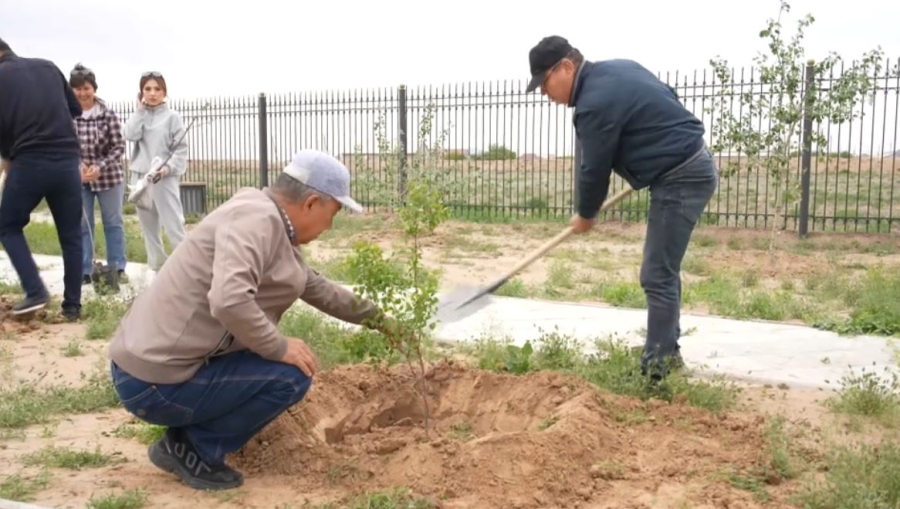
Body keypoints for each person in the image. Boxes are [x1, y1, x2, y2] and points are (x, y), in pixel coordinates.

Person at [107, 150, 404, 491]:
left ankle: (187, 438)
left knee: (274, 358)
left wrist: (379, 319)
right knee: (291, 373)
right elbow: (228, 300)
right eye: (333, 213)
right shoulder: (255, 221)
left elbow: (317, 287)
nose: (330, 226)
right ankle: (192, 448)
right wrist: (278, 347)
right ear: (311, 203)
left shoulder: (271, 223)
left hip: (155, 372)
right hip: (153, 382)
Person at [524, 36, 719, 381]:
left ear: (566, 67)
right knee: (663, 271)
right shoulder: (620, 69)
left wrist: (586, 214)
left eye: (544, 82)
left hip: (681, 175)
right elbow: (666, 98)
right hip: (685, 165)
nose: (543, 93)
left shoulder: (593, 105)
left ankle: (656, 371)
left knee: (656, 273)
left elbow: (594, 170)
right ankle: (666, 351)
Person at [0, 37, 84, 320]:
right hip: (67, 161)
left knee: (7, 225)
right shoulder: (48, 67)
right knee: (71, 235)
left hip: (30, 161)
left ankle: (35, 290)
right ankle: (72, 307)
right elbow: (76, 109)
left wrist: (7, 158)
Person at [70, 63, 128, 286]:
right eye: (77, 89)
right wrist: (78, 166)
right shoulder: (67, 115)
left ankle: (117, 268)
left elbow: (118, 147)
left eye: (86, 88)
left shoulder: (107, 115)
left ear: (94, 88)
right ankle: (85, 270)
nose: (82, 93)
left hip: (109, 177)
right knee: (83, 225)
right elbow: (64, 145)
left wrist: (99, 166)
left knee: (113, 223)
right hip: (80, 179)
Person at [122, 71, 188, 271]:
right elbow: (130, 135)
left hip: (163, 178)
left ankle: (186, 270)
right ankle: (159, 270)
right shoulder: (139, 115)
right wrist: (139, 111)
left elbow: (180, 150)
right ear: (141, 92)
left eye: (157, 89)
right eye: (147, 89)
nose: (152, 93)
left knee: (174, 226)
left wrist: (166, 169)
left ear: (164, 92)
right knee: (149, 230)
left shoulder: (172, 117)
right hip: (141, 177)